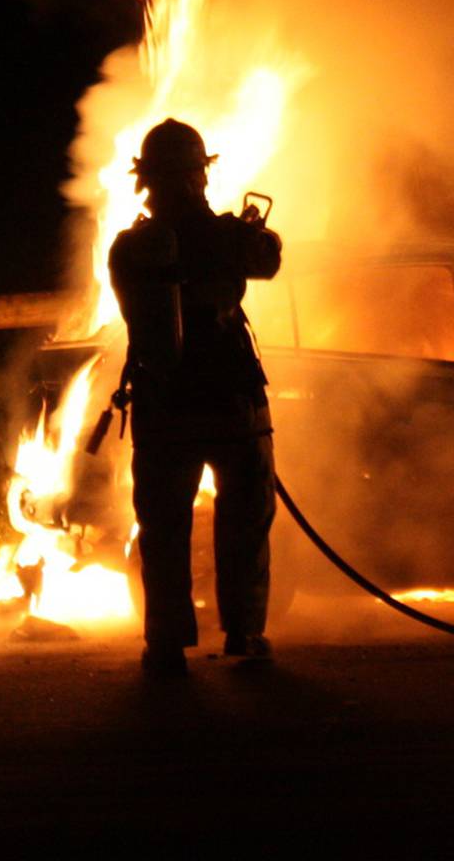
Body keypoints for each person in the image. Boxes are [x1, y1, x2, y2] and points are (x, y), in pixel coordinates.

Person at [109, 118, 283, 677]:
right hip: (233, 405)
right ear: (195, 177)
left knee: (162, 529)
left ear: (146, 181)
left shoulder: (128, 249)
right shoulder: (227, 237)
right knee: (245, 519)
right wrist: (253, 229)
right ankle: (244, 632)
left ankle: (165, 642)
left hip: (163, 407)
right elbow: (270, 259)